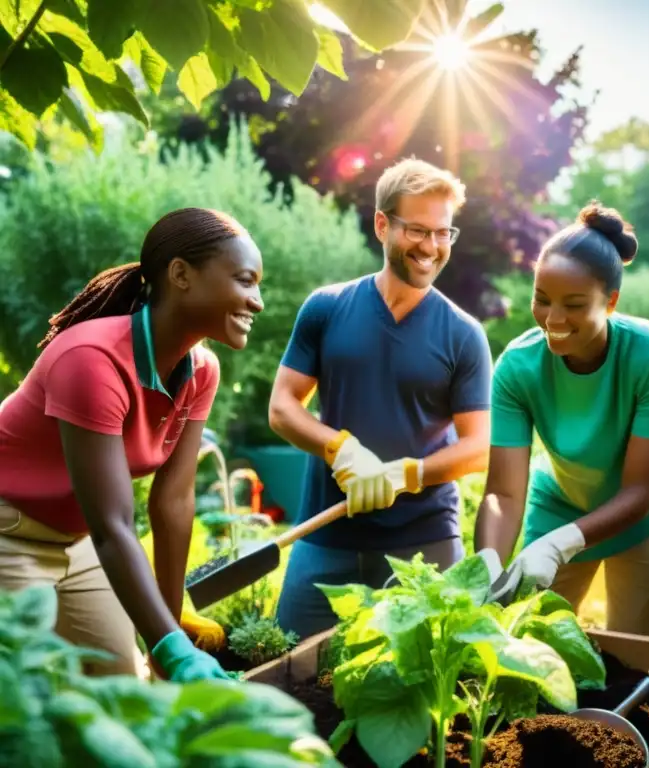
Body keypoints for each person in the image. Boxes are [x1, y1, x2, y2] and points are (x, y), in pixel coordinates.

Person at [0, 207, 265, 680]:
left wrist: (170, 628)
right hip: (9, 535)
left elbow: (173, 501)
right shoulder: (91, 359)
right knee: (25, 703)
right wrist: (172, 649)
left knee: (126, 688)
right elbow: (113, 522)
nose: (257, 301)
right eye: (245, 281)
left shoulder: (201, 371)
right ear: (181, 274)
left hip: (77, 541)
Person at [269, 157, 492, 640]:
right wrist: (341, 450)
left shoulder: (463, 334)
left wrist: (404, 473)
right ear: (381, 224)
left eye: (443, 233)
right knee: (288, 674)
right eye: (418, 230)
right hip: (325, 532)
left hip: (423, 543)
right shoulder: (326, 309)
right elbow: (283, 407)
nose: (431, 247)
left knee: (421, 691)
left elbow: (478, 447)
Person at [474, 202, 649, 639]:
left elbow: (638, 492)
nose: (553, 320)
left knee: (635, 649)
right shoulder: (518, 366)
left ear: (610, 301)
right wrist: (487, 562)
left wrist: (560, 545)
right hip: (562, 501)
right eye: (542, 300)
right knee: (530, 637)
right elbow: (503, 490)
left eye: (573, 305)